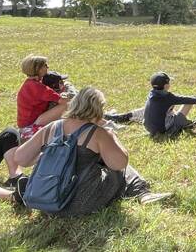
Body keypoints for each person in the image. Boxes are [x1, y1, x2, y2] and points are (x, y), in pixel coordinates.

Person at [15, 87, 171, 215]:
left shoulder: (53, 127)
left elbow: (21, 158)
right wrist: (112, 135)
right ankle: (142, 193)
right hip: (79, 203)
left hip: (47, 201)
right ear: (98, 109)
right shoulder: (96, 132)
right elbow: (119, 164)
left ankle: (142, 193)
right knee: (120, 169)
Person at [16, 55, 73, 141]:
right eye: (45, 65)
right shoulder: (39, 88)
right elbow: (63, 101)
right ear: (38, 69)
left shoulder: (29, 83)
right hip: (31, 126)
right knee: (67, 105)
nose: (47, 67)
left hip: (24, 125)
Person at [142, 72, 196, 137]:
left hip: (148, 128)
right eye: (168, 82)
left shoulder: (151, 94)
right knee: (189, 103)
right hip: (162, 130)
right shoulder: (168, 97)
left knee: (169, 107)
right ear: (165, 86)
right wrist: (195, 98)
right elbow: (191, 100)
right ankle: (182, 124)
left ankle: (180, 122)